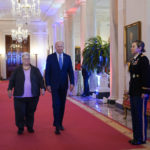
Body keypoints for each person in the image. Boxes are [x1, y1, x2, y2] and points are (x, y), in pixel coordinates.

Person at [8, 52, 45, 135]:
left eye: (28, 58)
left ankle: (29, 126)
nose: (26, 60)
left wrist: (42, 88)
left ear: (29, 59)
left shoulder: (35, 69)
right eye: (25, 58)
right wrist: (9, 89)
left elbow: (40, 79)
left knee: (30, 112)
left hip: (33, 95)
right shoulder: (17, 70)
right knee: (20, 112)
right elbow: (12, 80)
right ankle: (20, 127)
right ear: (22, 59)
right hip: (19, 96)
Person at [45, 41, 74, 135]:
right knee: (56, 105)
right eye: (58, 46)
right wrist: (48, 84)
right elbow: (47, 72)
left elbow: (71, 71)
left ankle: (60, 123)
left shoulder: (67, 57)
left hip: (64, 86)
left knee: (62, 106)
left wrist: (72, 83)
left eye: (61, 46)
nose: (60, 48)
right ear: (55, 47)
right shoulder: (50, 57)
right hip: (54, 86)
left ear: (63, 47)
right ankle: (57, 126)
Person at [128, 40, 150, 145]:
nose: (131, 48)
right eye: (131, 46)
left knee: (140, 115)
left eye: (133, 46)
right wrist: (130, 91)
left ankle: (142, 138)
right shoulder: (133, 60)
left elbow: (146, 76)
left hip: (140, 92)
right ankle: (136, 137)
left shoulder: (143, 59)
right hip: (134, 91)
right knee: (135, 115)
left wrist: (145, 91)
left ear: (139, 48)